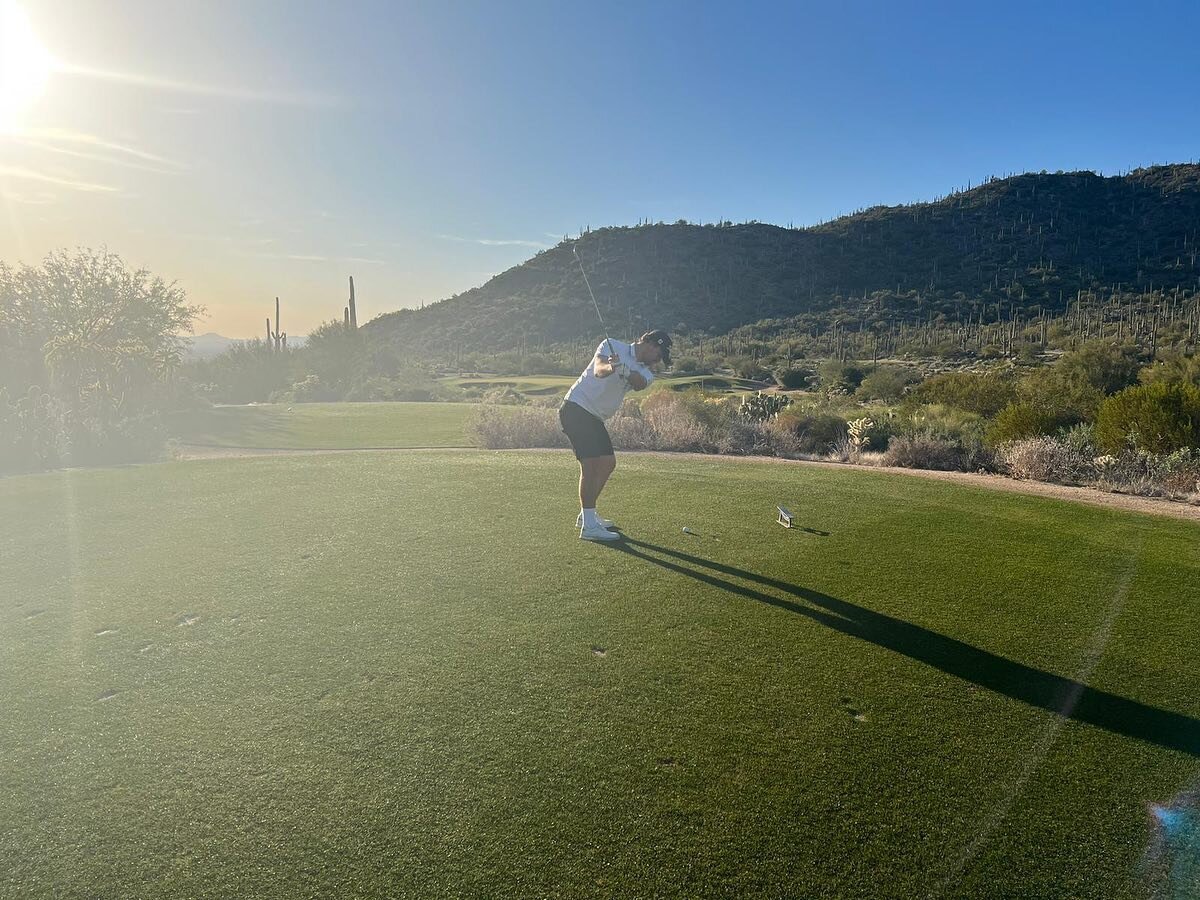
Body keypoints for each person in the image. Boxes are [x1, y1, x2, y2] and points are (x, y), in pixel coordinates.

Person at [559, 329, 672, 541]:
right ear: (651, 345)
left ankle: (587, 516)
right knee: (591, 464)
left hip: (594, 417)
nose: (658, 361)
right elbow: (598, 370)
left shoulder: (647, 372)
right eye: (659, 355)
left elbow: (639, 383)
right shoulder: (611, 345)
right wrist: (613, 366)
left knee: (608, 463)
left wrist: (627, 371)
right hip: (576, 407)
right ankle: (590, 527)